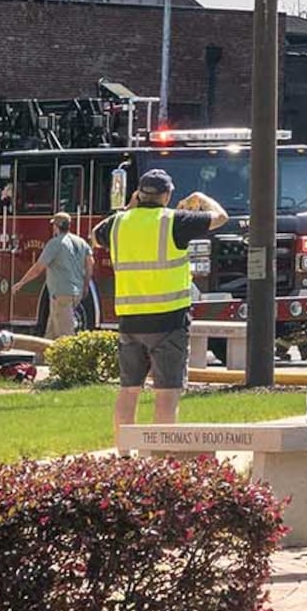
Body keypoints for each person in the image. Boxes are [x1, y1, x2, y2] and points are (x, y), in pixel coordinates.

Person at [105, 169, 217, 429]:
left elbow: (95, 236)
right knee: (166, 394)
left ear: (139, 194)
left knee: (128, 390)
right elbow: (221, 217)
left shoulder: (118, 223)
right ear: (167, 195)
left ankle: (123, 455)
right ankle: (160, 457)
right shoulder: (175, 221)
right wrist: (201, 196)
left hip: (130, 322)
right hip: (169, 322)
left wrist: (131, 205)